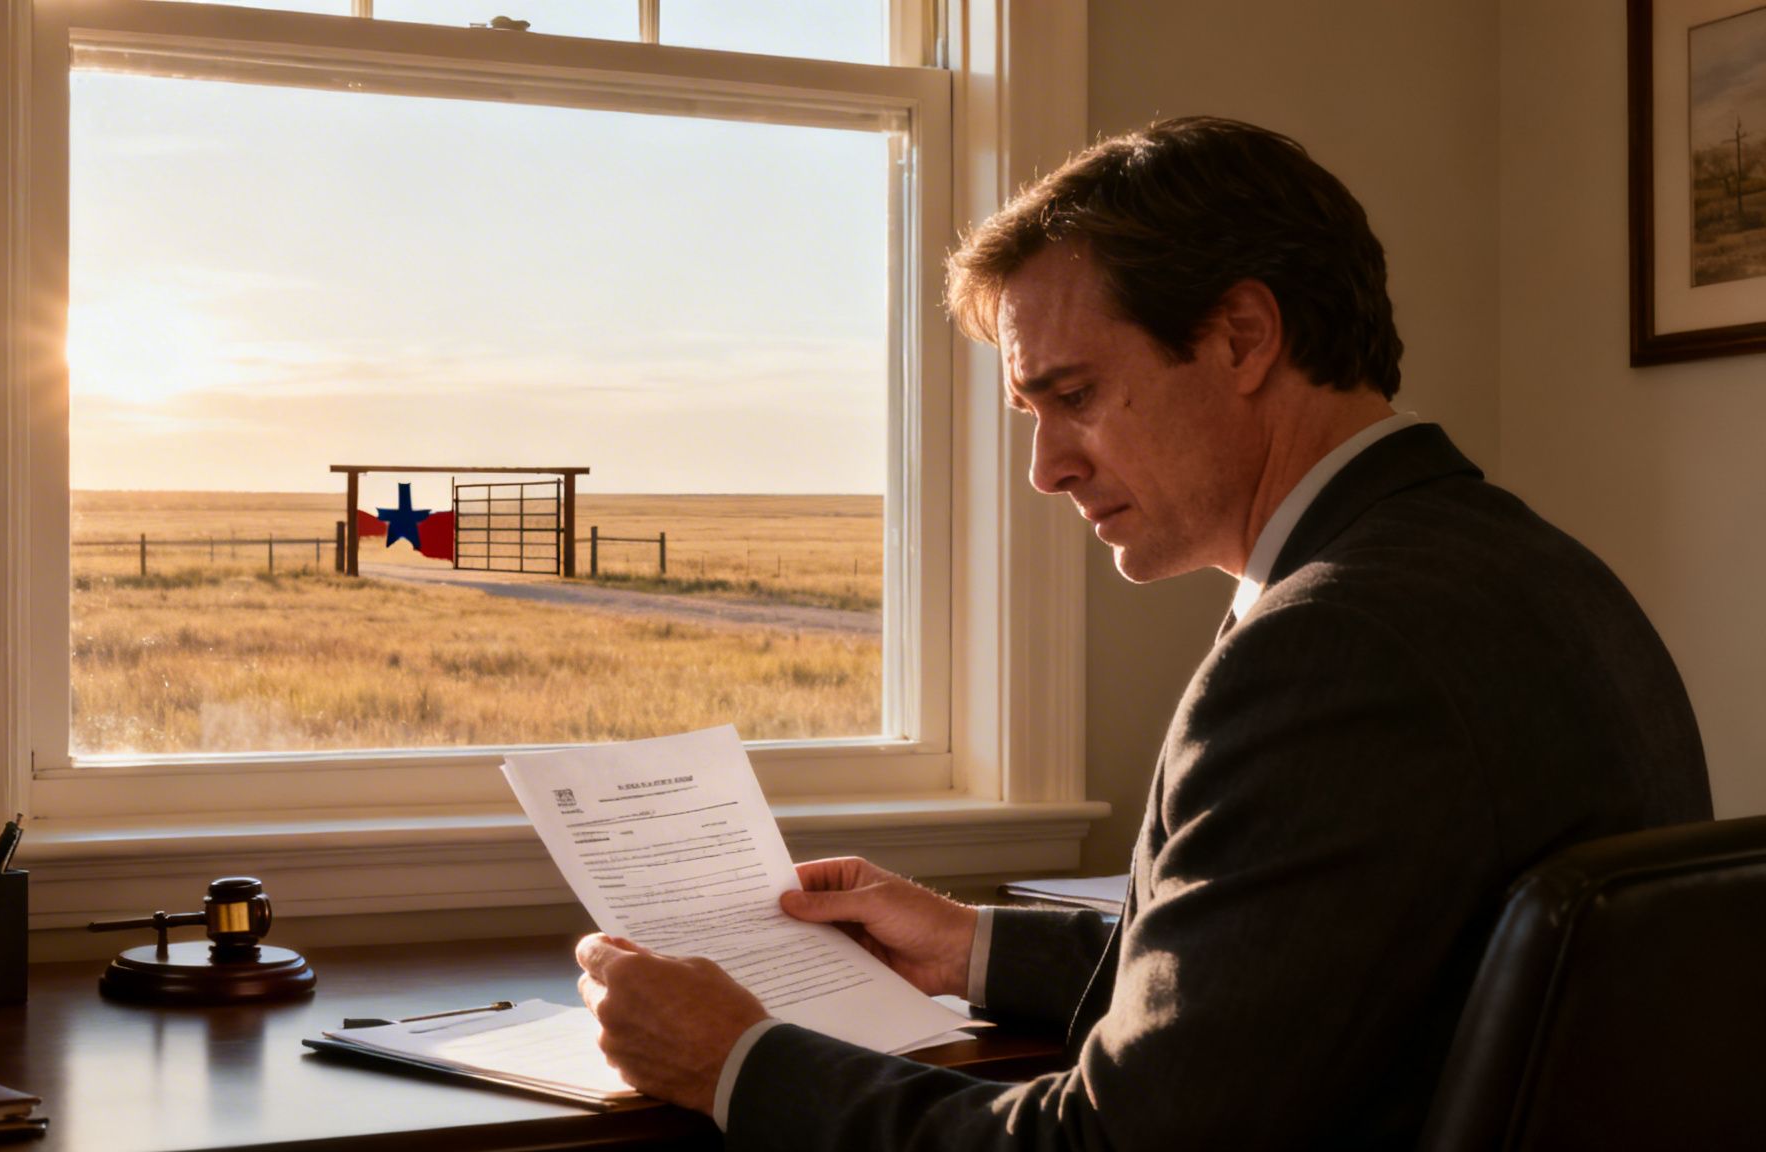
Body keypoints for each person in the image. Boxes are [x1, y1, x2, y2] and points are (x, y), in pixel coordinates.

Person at [575, 117, 1712, 1150]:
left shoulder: (1330, 648)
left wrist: (736, 1062)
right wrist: (967, 945)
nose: (1044, 468)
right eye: (1031, 415)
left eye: (1072, 396)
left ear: (1241, 336)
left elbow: (1108, 1149)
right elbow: (1310, 957)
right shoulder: (1537, 574)